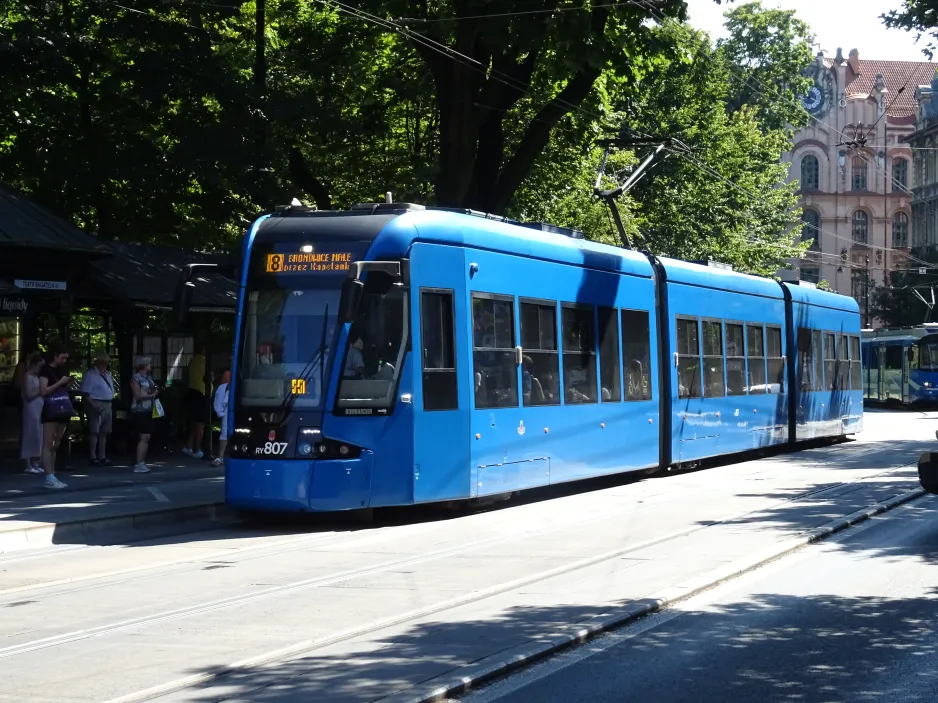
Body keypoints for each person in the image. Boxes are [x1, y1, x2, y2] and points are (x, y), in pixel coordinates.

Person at [38, 346, 76, 489]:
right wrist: (60, 383)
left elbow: (63, 388)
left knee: (56, 444)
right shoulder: (45, 370)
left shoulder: (63, 370)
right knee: (48, 444)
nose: (65, 360)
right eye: (62, 357)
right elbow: (43, 391)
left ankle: (52, 474)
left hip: (62, 408)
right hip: (51, 408)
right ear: (55, 356)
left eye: (66, 358)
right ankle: (48, 476)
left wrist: (67, 383)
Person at [80, 351, 116, 466]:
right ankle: (93, 456)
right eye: (104, 362)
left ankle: (102, 456)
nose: (105, 364)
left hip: (107, 403)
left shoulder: (107, 374)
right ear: (98, 362)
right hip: (96, 402)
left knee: (104, 432)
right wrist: (94, 405)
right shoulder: (90, 374)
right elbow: (85, 393)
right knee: (94, 431)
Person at [130, 356, 158, 474]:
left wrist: (154, 392)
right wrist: (151, 395)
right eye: (149, 363)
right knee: (144, 436)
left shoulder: (148, 378)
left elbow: (151, 389)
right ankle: (138, 463)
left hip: (149, 409)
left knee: (147, 436)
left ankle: (142, 462)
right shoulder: (135, 378)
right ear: (144, 365)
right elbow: (137, 395)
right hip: (140, 409)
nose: (150, 365)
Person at [20, 352, 44, 474]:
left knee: (38, 434)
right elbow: (28, 394)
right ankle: (28, 464)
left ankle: (36, 462)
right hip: (31, 407)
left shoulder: (37, 377)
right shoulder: (27, 376)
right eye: (39, 366)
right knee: (30, 432)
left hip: (39, 406)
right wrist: (40, 391)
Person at [183, 342, 208, 459]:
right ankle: (196, 449)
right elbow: (207, 377)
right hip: (200, 392)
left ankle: (188, 446)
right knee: (200, 423)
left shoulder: (192, 361)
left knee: (194, 422)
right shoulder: (204, 362)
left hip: (191, 390)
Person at [212, 370, 230, 467]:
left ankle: (221, 456)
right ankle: (220, 456)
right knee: (224, 433)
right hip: (228, 411)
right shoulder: (223, 387)